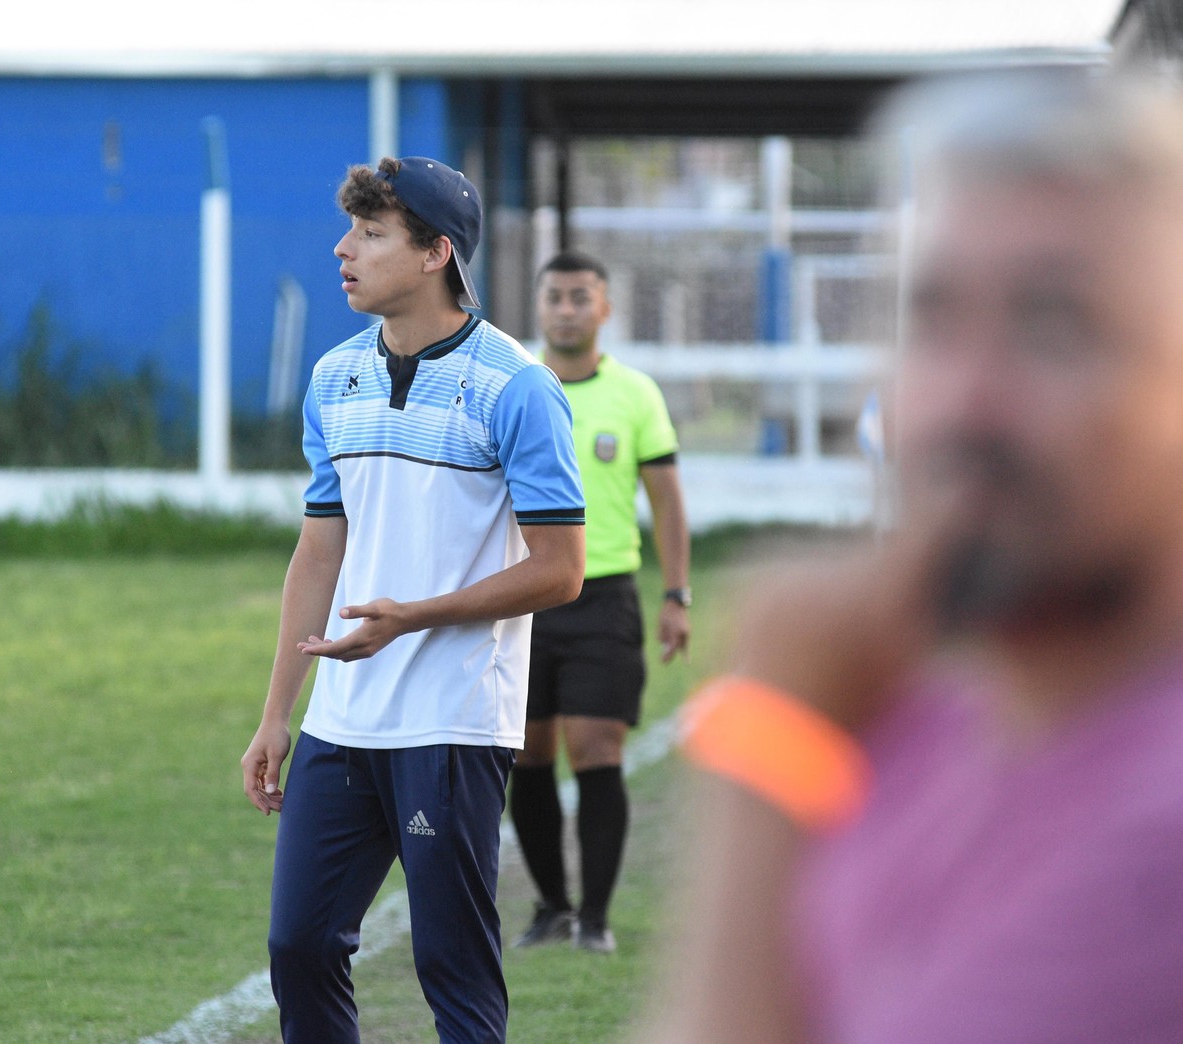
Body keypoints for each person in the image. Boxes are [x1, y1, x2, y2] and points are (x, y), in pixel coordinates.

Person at [645, 69, 1183, 1042]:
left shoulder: (1157, 837)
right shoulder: (934, 719)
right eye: (931, 321)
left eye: (1053, 327)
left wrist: (773, 725)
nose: (965, 403)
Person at [240, 155, 586, 1044]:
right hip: (342, 719)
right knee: (301, 944)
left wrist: (411, 619)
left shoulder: (516, 387)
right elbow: (319, 550)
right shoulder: (332, 378)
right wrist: (277, 713)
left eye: (370, 234)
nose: (341, 250)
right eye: (350, 230)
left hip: (454, 718)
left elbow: (561, 569)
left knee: (453, 969)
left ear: (436, 253)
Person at [508, 250, 691, 955]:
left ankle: (595, 917)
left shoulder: (635, 394)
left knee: (594, 747)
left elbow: (668, 504)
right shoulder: (516, 386)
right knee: (526, 752)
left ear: (603, 309)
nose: (565, 309)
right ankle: (550, 906)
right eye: (553, 296)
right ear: (539, 306)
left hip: (604, 594)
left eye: (580, 297)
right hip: (524, 593)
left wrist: (676, 594)